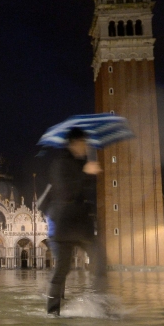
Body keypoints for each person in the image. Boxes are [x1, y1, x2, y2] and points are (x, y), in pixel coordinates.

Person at [45, 127, 107, 315]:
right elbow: (66, 191)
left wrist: (90, 172)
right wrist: (86, 173)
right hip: (65, 225)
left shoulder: (82, 162)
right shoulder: (60, 164)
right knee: (62, 270)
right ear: (74, 143)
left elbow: (84, 193)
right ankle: (52, 312)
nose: (86, 147)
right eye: (83, 143)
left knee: (100, 261)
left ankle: (100, 307)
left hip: (81, 225)